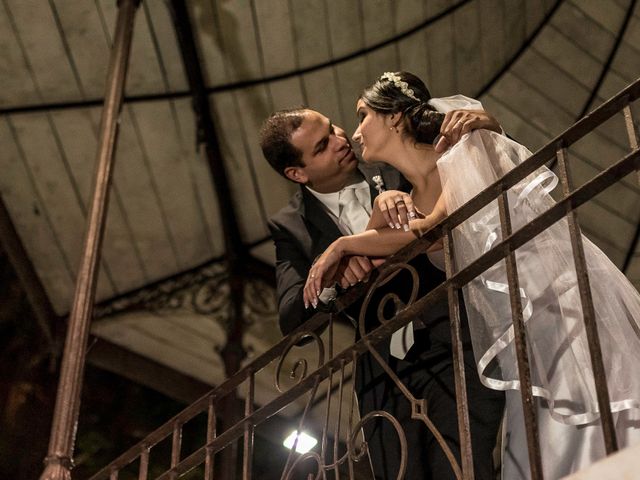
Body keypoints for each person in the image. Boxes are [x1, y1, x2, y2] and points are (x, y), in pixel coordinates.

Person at [304, 71, 640, 479]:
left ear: (393, 117)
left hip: (549, 302)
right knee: (535, 435)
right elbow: (399, 251)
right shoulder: (410, 198)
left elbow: (431, 232)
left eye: (362, 115)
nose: (355, 133)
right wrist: (356, 245)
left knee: (581, 416)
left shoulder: (461, 149)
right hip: (513, 329)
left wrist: (342, 245)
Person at [260, 99, 505, 479]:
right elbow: (293, 318)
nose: (341, 139)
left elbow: (474, 166)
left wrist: (484, 123)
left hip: (451, 338)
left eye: (332, 128)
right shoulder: (290, 226)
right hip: (381, 373)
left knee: (464, 468)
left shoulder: (393, 162)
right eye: (322, 146)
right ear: (297, 173)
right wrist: (334, 280)